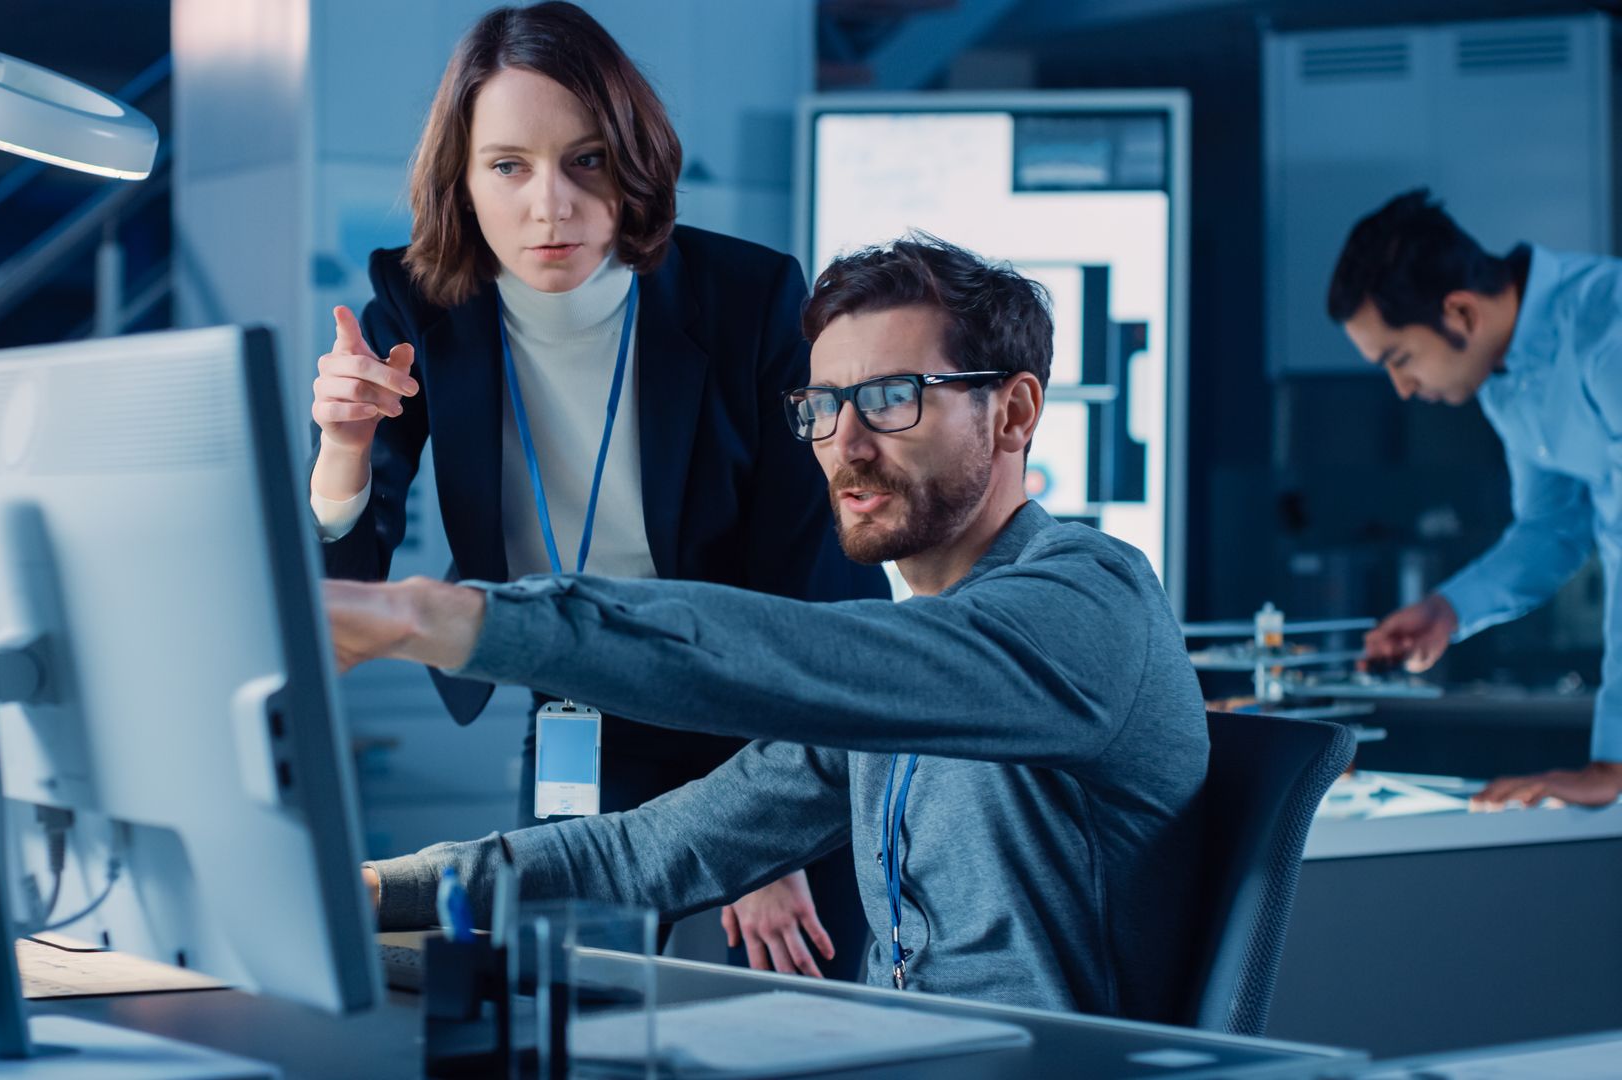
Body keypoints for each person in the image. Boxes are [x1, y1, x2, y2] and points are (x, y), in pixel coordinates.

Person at [323, 235, 1211, 1019]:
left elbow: (794, 658)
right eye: (823, 407)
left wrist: (447, 616)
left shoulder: (1090, 606)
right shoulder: (902, 669)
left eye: (894, 397)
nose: (846, 445)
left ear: (1014, 412)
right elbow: (654, 852)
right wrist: (373, 889)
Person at [308, 2, 885, 978]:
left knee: (805, 1013)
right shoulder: (422, 308)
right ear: (462, 176)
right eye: (509, 166)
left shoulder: (747, 302)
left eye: (585, 161)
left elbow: (812, 584)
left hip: (770, 715)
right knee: (560, 1012)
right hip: (583, 715)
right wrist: (344, 448)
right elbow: (338, 586)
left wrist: (768, 826)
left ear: (634, 162)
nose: (550, 206)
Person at [1332, 189, 1622, 809]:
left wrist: (1614, 762)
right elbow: (1553, 529)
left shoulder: (1609, 328)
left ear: (1460, 313)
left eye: (1400, 358)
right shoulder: (1504, 378)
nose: (1402, 388)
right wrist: (1449, 609)